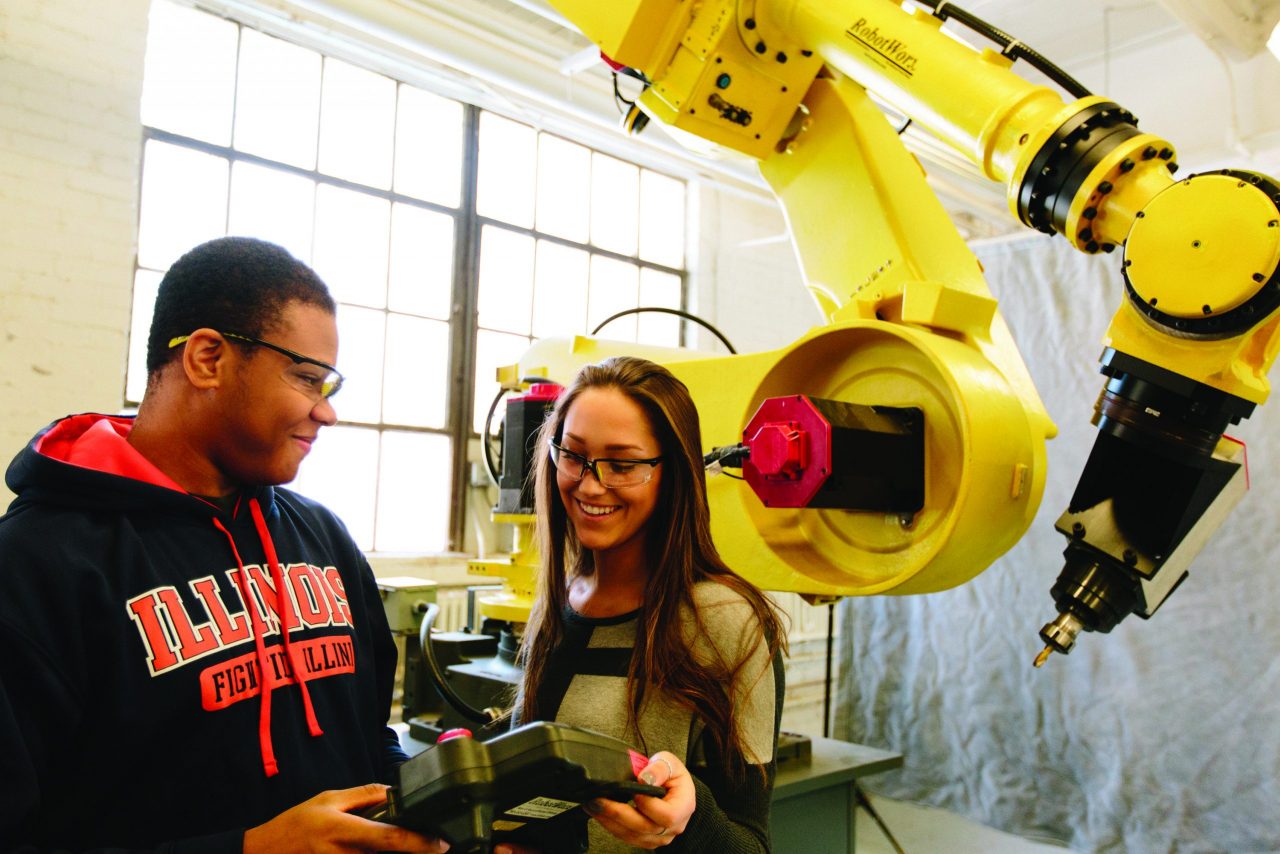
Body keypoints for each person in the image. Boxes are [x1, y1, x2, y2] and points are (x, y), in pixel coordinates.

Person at [0, 237, 447, 853]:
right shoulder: (33, 565)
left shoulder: (324, 540)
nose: (326, 413)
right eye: (306, 378)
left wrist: (446, 799)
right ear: (208, 358)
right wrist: (250, 849)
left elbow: (366, 743)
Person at [506, 356, 787, 853]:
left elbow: (752, 845)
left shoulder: (727, 623)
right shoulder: (561, 600)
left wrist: (685, 820)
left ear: (673, 473)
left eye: (623, 464)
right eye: (572, 455)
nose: (590, 484)